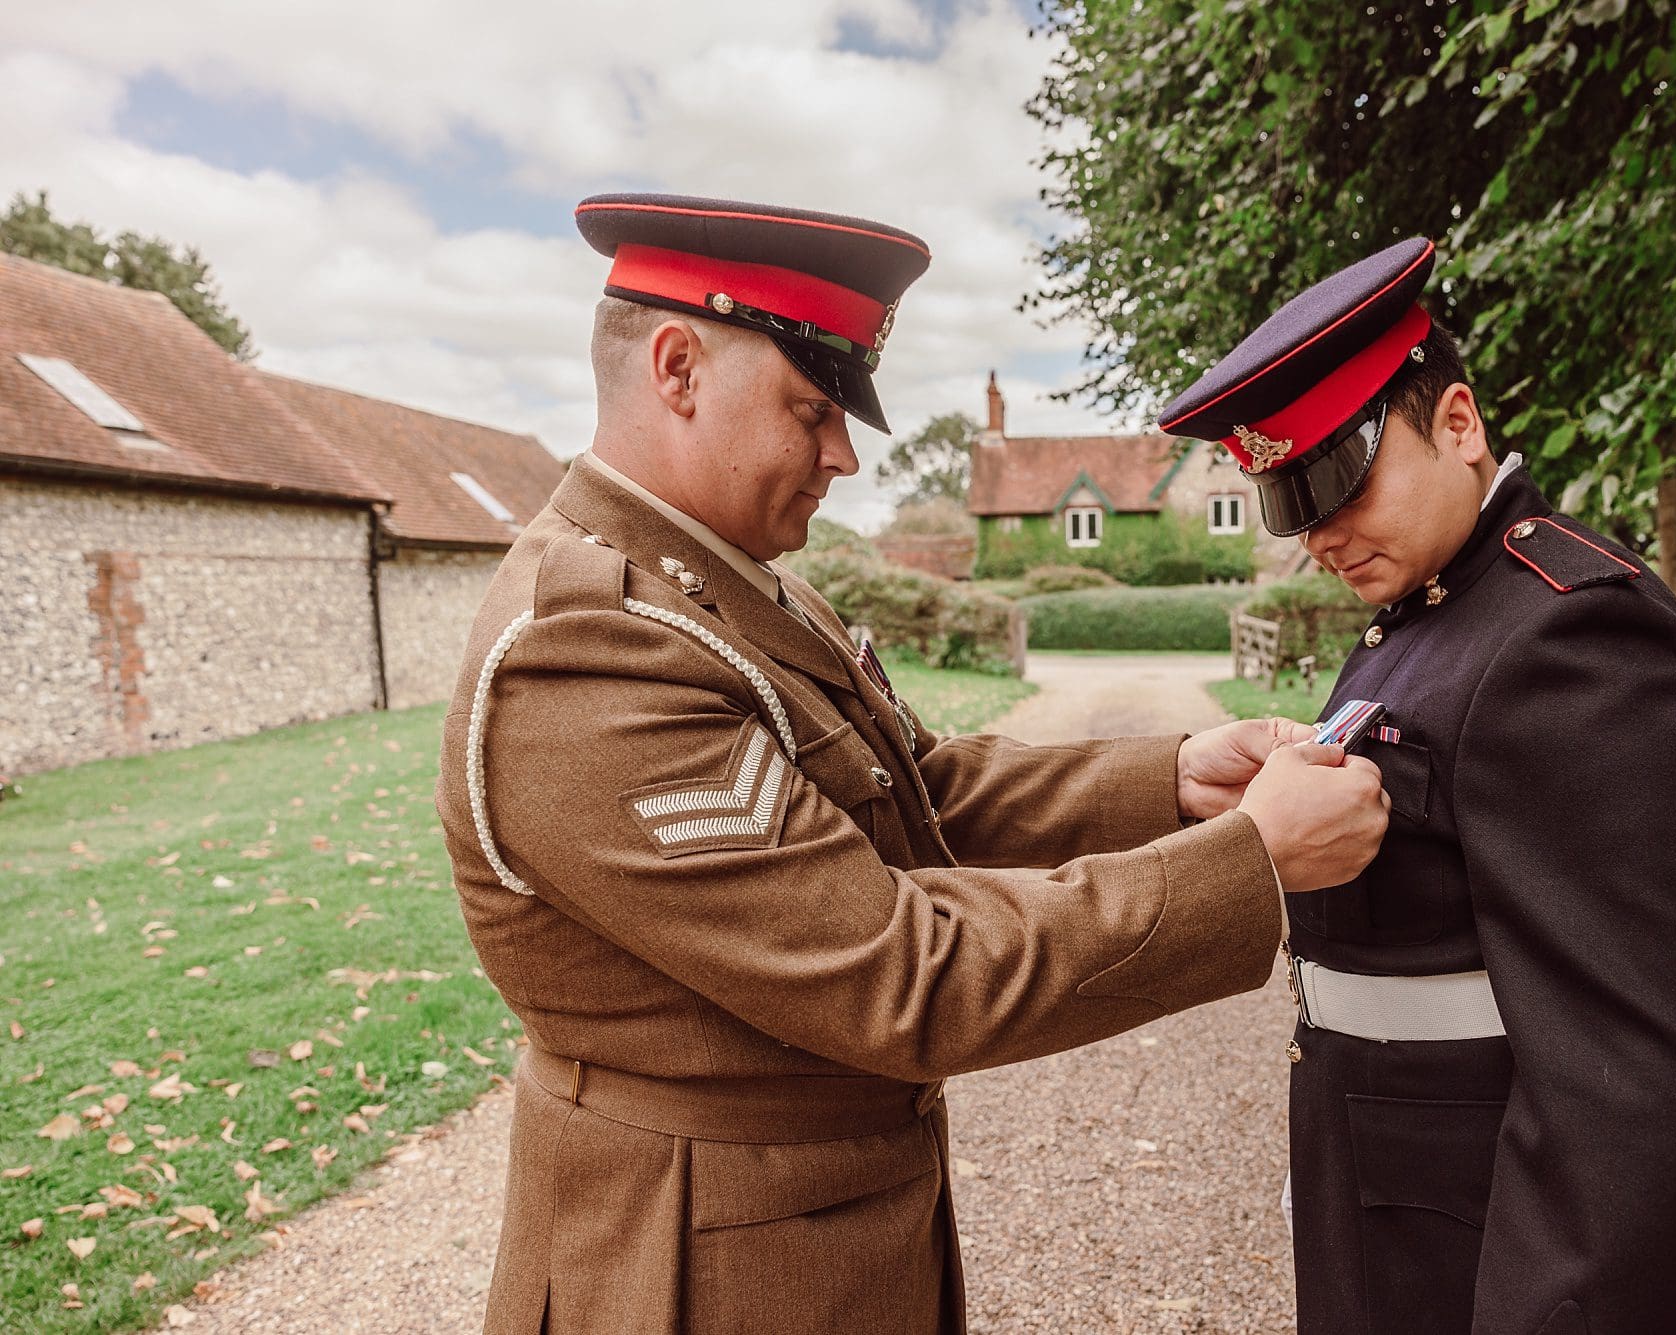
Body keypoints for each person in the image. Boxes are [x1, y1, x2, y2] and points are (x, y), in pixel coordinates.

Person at [432, 192, 1393, 1334]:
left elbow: (919, 792)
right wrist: (1249, 864)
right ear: (677, 368)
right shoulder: (587, 652)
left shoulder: (730, 585)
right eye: (809, 406)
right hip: (700, 1267)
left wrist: (1176, 776)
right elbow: (899, 975)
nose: (841, 452)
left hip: (808, 1223)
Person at [1158, 237, 1676, 1335]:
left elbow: (1642, 1085)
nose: (1320, 534)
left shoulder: (1574, 635)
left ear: (1457, 423)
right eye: (1288, 500)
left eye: (1338, 476)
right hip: (1404, 1212)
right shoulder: (1434, 611)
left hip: (1507, 1252)